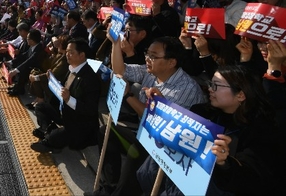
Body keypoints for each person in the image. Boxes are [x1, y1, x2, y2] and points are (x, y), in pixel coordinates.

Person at [137, 65, 282, 195]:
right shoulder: (203, 112)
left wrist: (224, 163)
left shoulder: (261, 131)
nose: (210, 89)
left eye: (216, 85)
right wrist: (165, 109)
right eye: (210, 84)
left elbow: (252, 179)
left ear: (240, 95)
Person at [95, 35, 206, 196]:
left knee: (137, 151)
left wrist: (128, 96)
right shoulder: (152, 72)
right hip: (145, 133)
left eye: (154, 56)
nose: (147, 59)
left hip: (169, 147)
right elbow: (120, 70)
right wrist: (116, 43)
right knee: (106, 131)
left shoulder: (186, 88)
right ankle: (112, 185)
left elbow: (156, 121)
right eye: (148, 54)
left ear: (171, 62)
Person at [30, 38, 102, 153]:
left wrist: (69, 99)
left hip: (80, 122)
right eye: (67, 52)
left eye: (71, 52)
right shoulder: (72, 68)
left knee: (56, 137)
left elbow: (90, 109)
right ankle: (46, 130)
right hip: (65, 113)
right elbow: (63, 88)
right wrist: (53, 81)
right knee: (40, 107)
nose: (67, 55)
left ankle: (49, 139)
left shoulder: (90, 78)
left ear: (82, 55)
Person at [7, 28, 48, 96]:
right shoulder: (33, 46)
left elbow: (29, 60)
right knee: (19, 64)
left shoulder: (39, 49)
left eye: (28, 38)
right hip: (31, 66)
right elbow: (24, 55)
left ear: (32, 41)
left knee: (23, 69)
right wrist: (11, 61)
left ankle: (19, 89)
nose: (26, 39)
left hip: (38, 69)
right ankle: (17, 86)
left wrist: (16, 70)